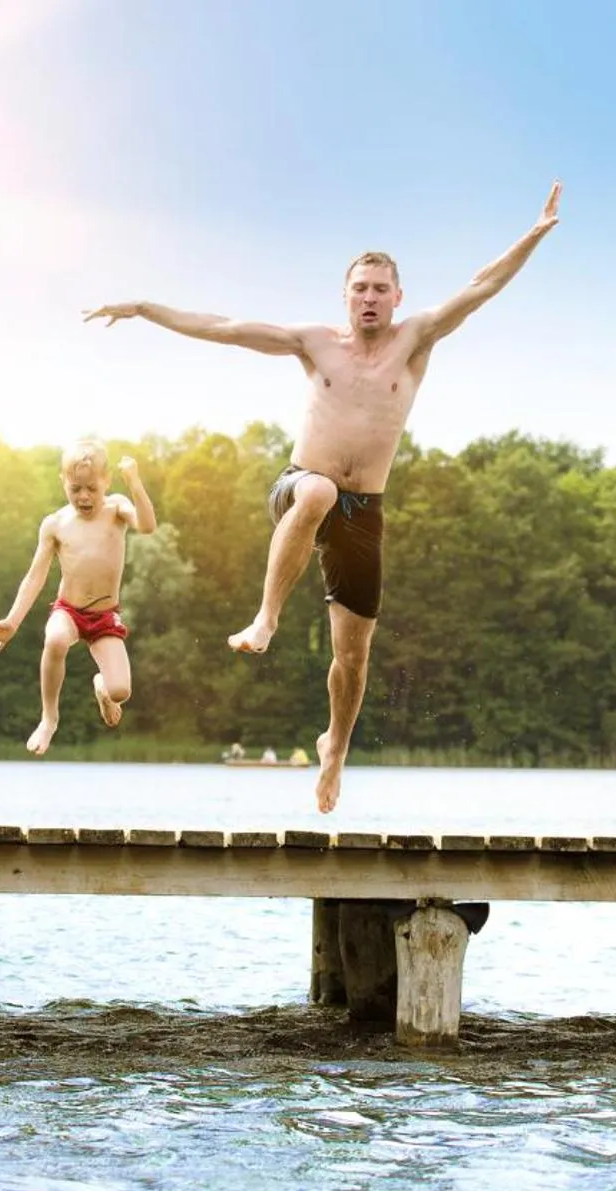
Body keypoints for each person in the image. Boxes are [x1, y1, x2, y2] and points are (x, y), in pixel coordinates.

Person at [83, 182, 561, 811]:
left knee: (353, 659)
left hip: (366, 511)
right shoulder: (315, 342)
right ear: (346, 296)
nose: (369, 298)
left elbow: (480, 287)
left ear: (398, 297)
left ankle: (334, 747)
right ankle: (267, 617)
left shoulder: (416, 339)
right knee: (317, 492)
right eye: (359, 288)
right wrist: (146, 307)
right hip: (299, 486)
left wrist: (532, 234)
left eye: (380, 288)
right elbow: (225, 329)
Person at [0, 443, 156, 754]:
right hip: (69, 610)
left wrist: (135, 483)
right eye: (75, 489)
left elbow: (148, 525)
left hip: (105, 616)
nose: (83, 496)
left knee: (121, 691)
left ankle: (101, 689)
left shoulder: (117, 508)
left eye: (91, 488)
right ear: (63, 481)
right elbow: (35, 576)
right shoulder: (55, 524)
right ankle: (49, 719)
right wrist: (13, 620)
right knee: (56, 640)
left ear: (107, 481)